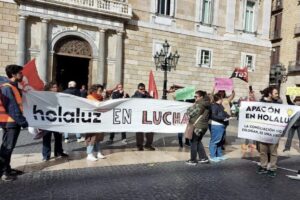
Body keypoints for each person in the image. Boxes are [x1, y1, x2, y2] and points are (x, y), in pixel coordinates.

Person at [0, 65, 29, 182]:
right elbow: (13, 108)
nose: (22, 75)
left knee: (8, 147)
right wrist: (24, 122)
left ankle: (7, 168)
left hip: (12, 122)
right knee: (7, 148)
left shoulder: (13, 87)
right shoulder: (7, 88)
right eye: (20, 73)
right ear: (13, 75)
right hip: (10, 122)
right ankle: (4, 173)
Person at [257, 86, 282, 177]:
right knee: (262, 151)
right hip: (263, 131)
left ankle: (272, 168)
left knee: (273, 152)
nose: (277, 95)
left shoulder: (279, 103)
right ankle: (263, 166)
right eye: (275, 93)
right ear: (270, 94)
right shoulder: (261, 103)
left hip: (274, 132)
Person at [41, 82, 68, 161]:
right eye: (54, 87)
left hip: (57, 120)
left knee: (58, 137)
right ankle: (46, 155)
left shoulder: (59, 96)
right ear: (49, 88)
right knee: (46, 138)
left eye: (56, 87)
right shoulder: (44, 96)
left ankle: (59, 152)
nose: (56, 89)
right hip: (47, 121)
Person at [185, 90, 211, 166]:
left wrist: (193, 105)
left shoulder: (199, 104)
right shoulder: (207, 104)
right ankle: (203, 158)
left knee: (193, 142)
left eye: (196, 96)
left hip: (197, 126)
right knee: (198, 141)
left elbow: (189, 113)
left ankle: (193, 160)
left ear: (201, 97)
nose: (195, 98)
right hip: (203, 126)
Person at [85, 84, 106, 161]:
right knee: (91, 137)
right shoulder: (89, 97)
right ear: (95, 91)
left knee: (99, 137)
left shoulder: (101, 98)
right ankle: (89, 154)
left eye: (101, 91)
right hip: (91, 120)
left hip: (99, 120)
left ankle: (98, 152)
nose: (100, 92)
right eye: (100, 91)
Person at [132, 83, 155, 151]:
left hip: (147, 116)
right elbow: (136, 100)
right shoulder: (134, 96)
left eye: (143, 89)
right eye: (141, 89)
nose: (142, 90)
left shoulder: (147, 95)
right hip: (139, 116)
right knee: (139, 132)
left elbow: (153, 101)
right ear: (138, 89)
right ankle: (139, 145)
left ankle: (148, 145)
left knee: (150, 131)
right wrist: (142, 94)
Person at [209, 94, 230, 162]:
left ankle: (219, 155)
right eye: (222, 99)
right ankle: (212, 156)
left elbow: (224, 112)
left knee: (220, 141)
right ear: (220, 99)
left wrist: (228, 116)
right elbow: (213, 116)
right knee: (215, 141)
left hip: (222, 125)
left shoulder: (220, 105)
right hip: (217, 125)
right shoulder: (214, 106)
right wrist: (223, 118)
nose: (222, 100)